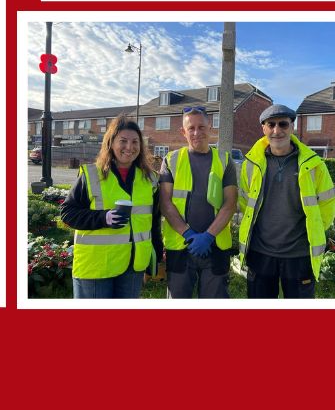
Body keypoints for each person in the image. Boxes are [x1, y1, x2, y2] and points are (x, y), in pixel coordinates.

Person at [238, 104, 335, 298]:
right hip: (260, 253)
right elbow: (244, 203)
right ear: (263, 129)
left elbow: (327, 207)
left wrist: (313, 232)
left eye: (283, 124)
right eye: (271, 125)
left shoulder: (315, 165)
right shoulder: (250, 165)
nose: (277, 130)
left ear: (292, 127)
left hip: (299, 255)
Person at [61, 115, 161, 299]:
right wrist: (102, 218)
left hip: (133, 265)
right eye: (123, 141)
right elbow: (68, 213)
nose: (129, 147)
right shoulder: (92, 175)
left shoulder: (150, 179)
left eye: (135, 142)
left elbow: (153, 222)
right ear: (111, 142)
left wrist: (153, 259)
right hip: (96, 267)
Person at [160, 106, 237, 298]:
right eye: (191, 128)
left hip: (215, 245)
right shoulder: (171, 160)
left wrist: (208, 236)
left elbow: (230, 203)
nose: (196, 133)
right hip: (181, 246)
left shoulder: (225, 160)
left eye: (201, 127)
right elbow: (166, 203)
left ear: (210, 127)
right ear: (183, 132)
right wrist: (188, 234)